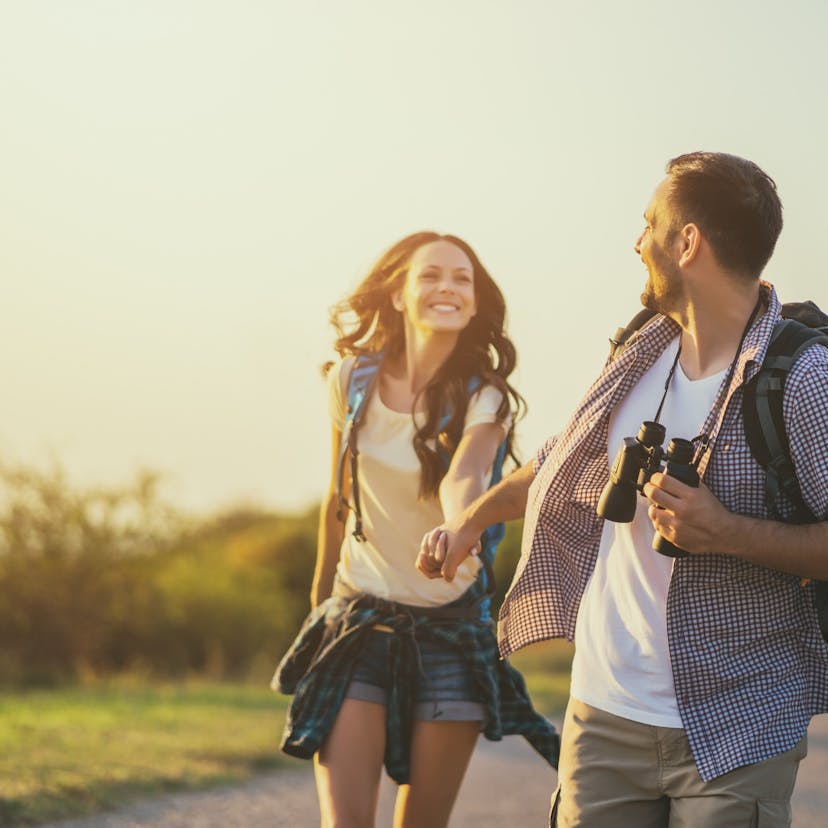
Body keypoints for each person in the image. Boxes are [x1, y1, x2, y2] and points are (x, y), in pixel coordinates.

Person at [419, 153, 828, 827]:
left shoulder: (803, 377)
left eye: (648, 225)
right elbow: (561, 457)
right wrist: (471, 521)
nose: (637, 243)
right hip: (604, 714)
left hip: (739, 722)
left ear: (687, 242)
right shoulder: (639, 347)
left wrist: (724, 531)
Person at [272, 231, 558, 828]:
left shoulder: (487, 397)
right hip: (359, 620)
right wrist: (320, 601)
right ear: (399, 294)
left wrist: (460, 526)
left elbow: (468, 473)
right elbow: (337, 497)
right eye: (430, 275)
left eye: (462, 279)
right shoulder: (350, 381)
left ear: (476, 304)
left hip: (451, 629)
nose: (447, 287)